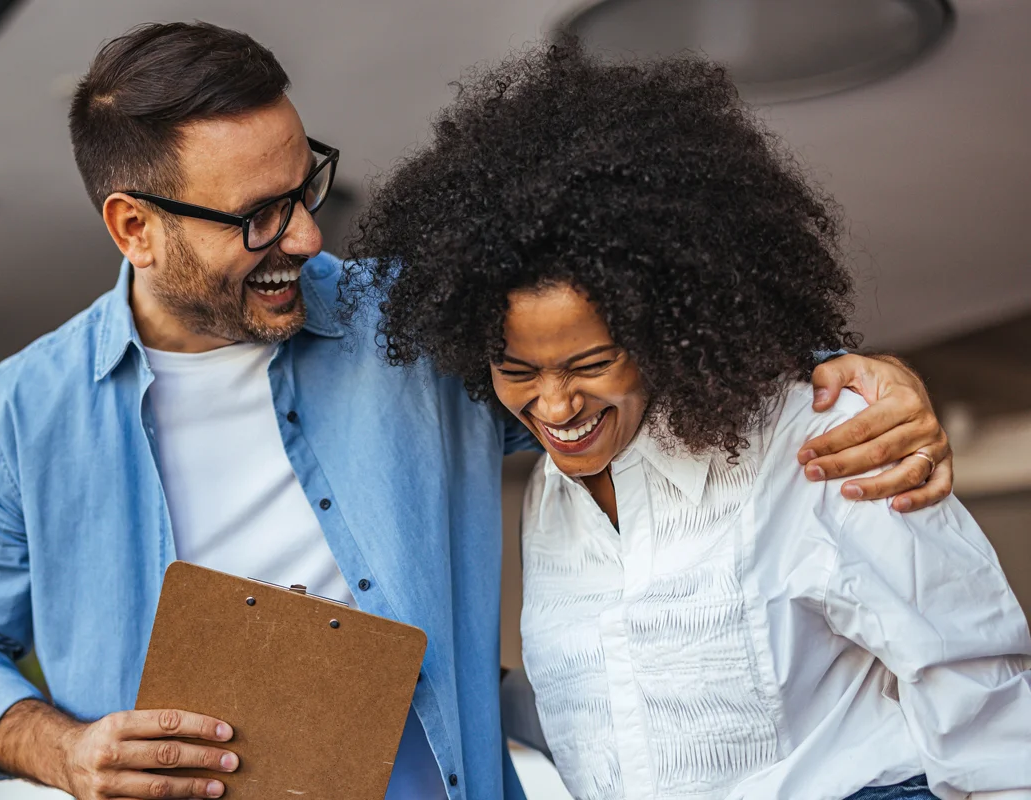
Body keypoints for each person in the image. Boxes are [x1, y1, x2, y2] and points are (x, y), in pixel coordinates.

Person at [0, 23, 954, 800]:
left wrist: (841, 373)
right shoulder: (19, 416)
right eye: (258, 216)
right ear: (134, 226)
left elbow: (630, 356)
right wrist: (65, 750)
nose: (306, 237)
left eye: (305, 187)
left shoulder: (410, 325)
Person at [344, 41, 1031, 800]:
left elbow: (989, 711)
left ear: (667, 329)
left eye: (591, 363)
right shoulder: (551, 495)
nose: (557, 406)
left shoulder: (823, 441)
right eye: (518, 371)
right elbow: (617, 717)